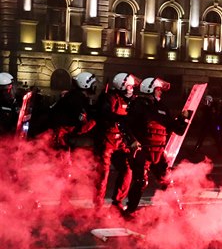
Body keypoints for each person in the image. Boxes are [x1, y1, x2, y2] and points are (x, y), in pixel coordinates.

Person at [124, 77, 189, 216]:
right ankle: (129, 211)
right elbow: (125, 125)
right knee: (140, 181)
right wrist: (132, 141)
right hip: (143, 150)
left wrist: (183, 119)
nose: (160, 93)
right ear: (150, 90)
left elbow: (176, 129)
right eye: (158, 90)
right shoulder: (137, 105)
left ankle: (177, 210)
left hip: (159, 151)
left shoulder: (163, 108)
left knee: (167, 181)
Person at [93, 72, 140, 210]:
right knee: (103, 172)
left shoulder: (131, 101)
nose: (132, 89)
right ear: (122, 86)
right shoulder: (110, 98)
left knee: (127, 169)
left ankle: (117, 201)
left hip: (121, 140)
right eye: (130, 86)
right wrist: (120, 119)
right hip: (107, 139)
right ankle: (98, 204)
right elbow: (106, 114)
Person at [49, 72, 98, 149]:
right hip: (62, 136)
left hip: (64, 135)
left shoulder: (78, 97)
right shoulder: (76, 99)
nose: (95, 87)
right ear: (85, 85)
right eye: (93, 84)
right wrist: (94, 121)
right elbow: (79, 124)